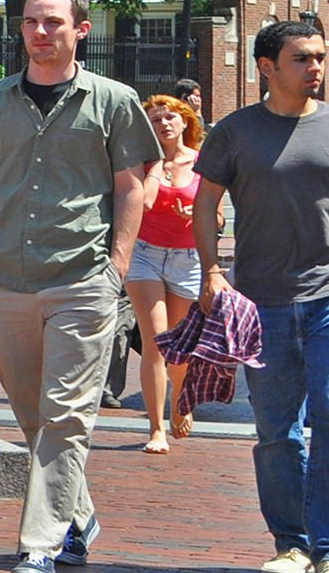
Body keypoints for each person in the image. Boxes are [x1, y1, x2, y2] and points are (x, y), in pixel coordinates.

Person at [0, 0, 158, 573]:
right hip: (4, 278)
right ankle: (79, 514)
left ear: (81, 30)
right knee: (32, 415)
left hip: (82, 277)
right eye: (29, 22)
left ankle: (38, 545)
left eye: (52, 22)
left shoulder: (115, 100)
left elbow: (130, 187)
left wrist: (116, 266)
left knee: (67, 413)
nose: (39, 33)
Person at [194, 17, 329, 573]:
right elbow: (205, 203)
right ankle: (291, 543)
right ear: (266, 67)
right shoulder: (235, 131)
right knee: (277, 431)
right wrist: (211, 270)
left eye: (320, 57)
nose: (316, 67)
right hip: (262, 301)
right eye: (303, 58)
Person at [130, 95, 206, 451]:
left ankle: (180, 401)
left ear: (185, 121)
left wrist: (189, 216)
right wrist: (158, 166)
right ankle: (156, 429)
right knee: (155, 342)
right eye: (156, 120)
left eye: (170, 117)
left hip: (187, 258)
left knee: (179, 347)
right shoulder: (144, 163)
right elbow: (143, 203)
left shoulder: (203, 162)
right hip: (144, 256)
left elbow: (218, 219)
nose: (164, 124)